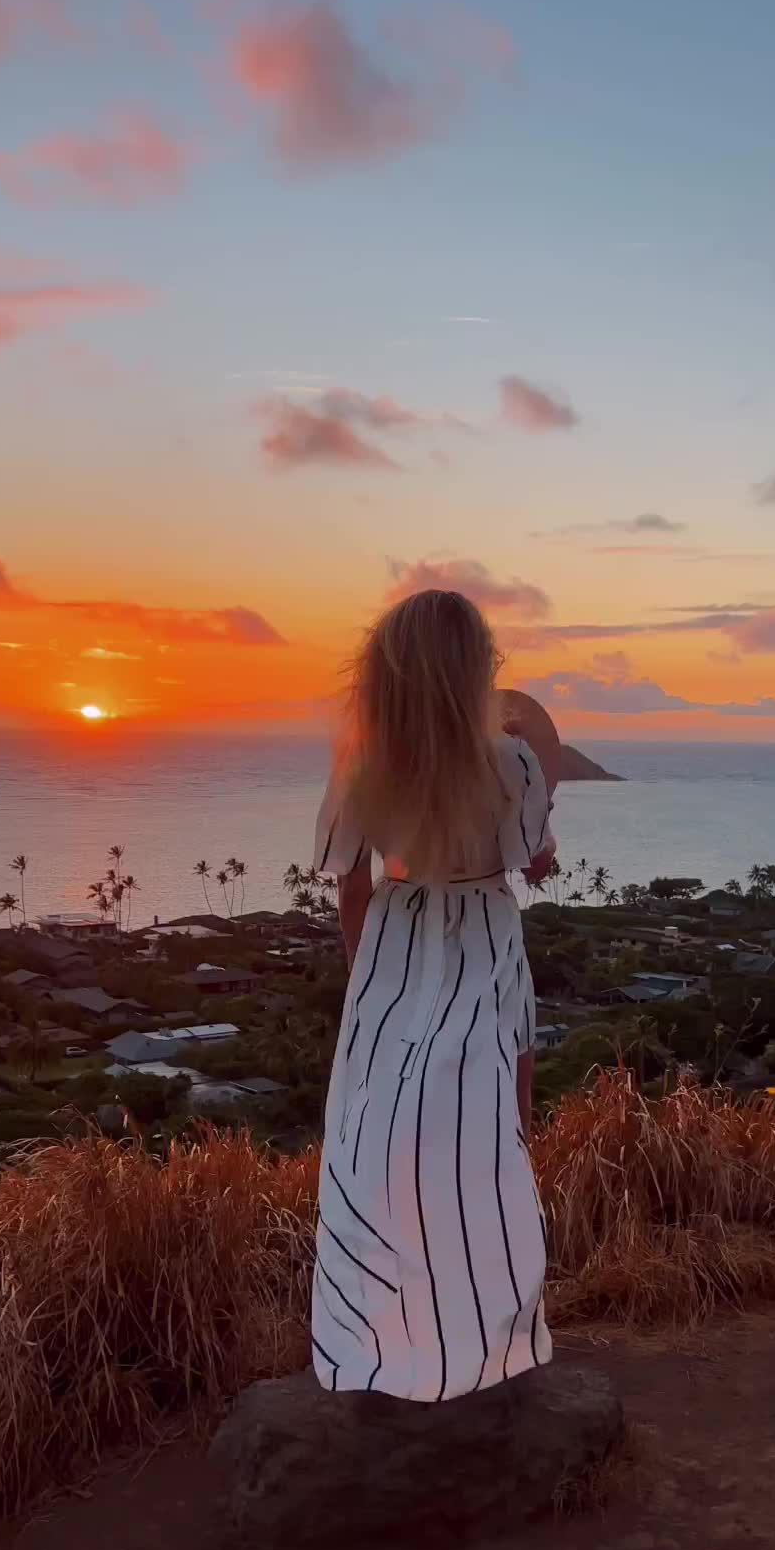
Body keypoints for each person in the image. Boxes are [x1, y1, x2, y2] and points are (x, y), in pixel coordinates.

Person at [310, 588, 556, 1401]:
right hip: (484, 938)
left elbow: (350, 883)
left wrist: (367, 981)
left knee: (373, 1141)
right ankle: (489, 1344)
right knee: (495, 1139)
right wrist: (538, 780)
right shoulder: (512, 761)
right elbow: (533, 865)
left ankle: (381, 1341)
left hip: (393, 942)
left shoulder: (364, 761)